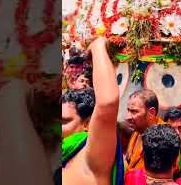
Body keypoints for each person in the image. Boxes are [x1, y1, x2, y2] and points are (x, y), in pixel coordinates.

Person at [61, 37, 122, 185]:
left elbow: (107, 103)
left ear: (87, 124)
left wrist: (97, 47)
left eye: (65, 121)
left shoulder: (91, 155)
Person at [125, 89, 164, 171]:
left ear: (151, 113)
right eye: (128, 110)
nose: (127, 117)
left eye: (134, 111)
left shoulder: (164, 137)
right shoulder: (138, 130)